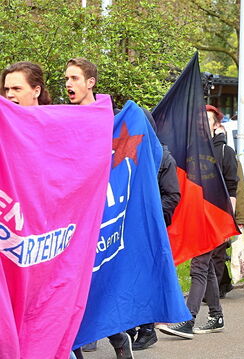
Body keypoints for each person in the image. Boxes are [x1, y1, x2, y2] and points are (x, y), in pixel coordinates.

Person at [64, 58, 134, 359]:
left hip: (104, 217)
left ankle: (118, 338)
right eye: (66, 78)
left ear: (90, 82)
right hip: (72, 219)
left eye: (75, 78)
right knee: (68, 294)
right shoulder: (64, 119)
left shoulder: (112, 121)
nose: (68, 84)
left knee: (94, 288)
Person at [158, 105, 237, 339]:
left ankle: (188, 320)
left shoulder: (225, 153)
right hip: (196, 216)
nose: (202, 124)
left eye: (207, 120)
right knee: (209, 266)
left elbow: (232, 188)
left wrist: (228, 223)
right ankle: (216, 315)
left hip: (215, 219)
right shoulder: (191, 151)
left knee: (199, 265)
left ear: (215, 125)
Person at [128, 110, 181, 351]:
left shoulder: (164, 158)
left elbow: (173, 195)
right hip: (128, 228)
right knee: (129, 277)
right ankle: (129, 326)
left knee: (147, 278)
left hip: (152, 227)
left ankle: (148, 330)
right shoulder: (128, 153)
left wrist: (150, 212)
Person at [210, 123, 244, 299]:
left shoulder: (227, 154)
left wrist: (238, 217)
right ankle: (223, 284)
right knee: (215, 252)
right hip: (216, 210)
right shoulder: (206, 152)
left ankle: (215, 290)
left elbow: (237, 189)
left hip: (223, 211)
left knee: (217, 252)